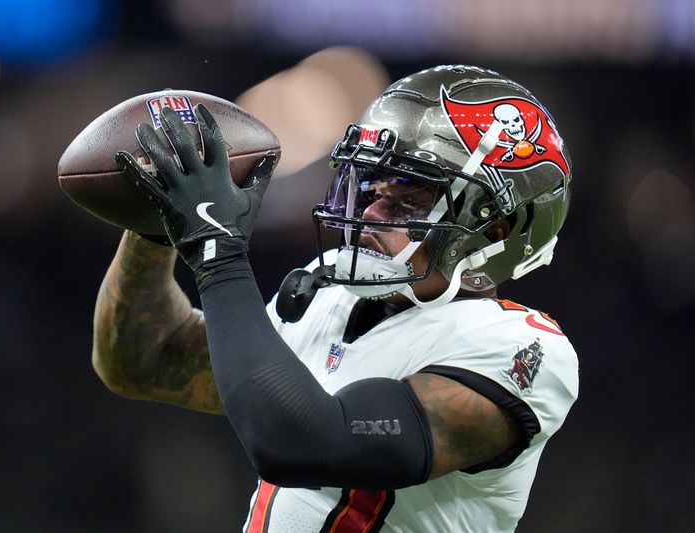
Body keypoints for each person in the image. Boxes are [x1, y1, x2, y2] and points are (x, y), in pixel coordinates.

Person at [92, 65, 579, 532]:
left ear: (492, 230)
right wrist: (160, 223)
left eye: (409, 197)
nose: (372, 211)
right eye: (372, 186)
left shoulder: (520, 349)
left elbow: (301, 444)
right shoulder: (329, 298)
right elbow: (143, 360)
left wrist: (218, 254)